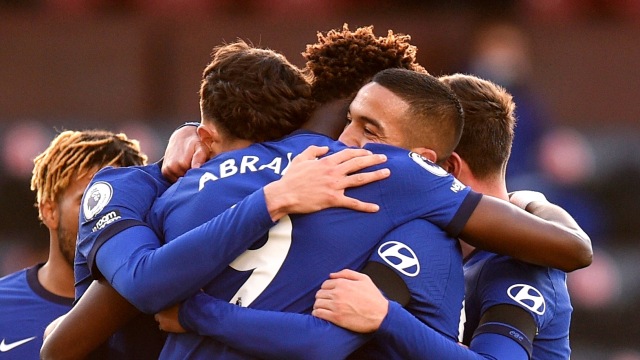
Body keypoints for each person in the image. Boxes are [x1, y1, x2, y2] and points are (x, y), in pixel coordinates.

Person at [46, 39, 590, 360]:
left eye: (370, 131)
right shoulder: (393, 200)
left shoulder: (169, 187)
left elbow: (71, 339)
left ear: (436, 164)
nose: (351, 146)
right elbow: (329, 341)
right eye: (350, 124)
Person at [310, 74, 580, 359]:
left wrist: (385, 317)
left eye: (372, 133)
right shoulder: (429, 237)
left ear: (444, 168)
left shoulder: (519, 269)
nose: (346, 141)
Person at [0, 130, 147, 359]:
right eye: (90, 200)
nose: (106, 216)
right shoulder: (3, 308)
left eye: (122, 201)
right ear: (49, 212)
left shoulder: (159, 310)